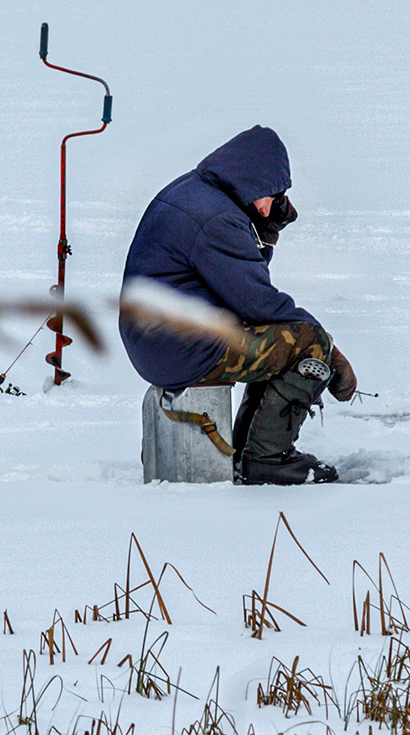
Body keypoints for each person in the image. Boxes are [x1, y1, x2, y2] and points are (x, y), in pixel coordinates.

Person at [119, 125, 357, 485]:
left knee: (283, 340)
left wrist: (265, 231)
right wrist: (328, 348)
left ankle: (247, 451)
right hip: (181, 349)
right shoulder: (219, 219)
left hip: (156, 341)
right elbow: (258, 303)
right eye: (270, 195)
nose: (268, 205)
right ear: (251, 181)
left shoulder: (194, 191)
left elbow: (243, 291)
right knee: (306, 342)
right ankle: (267, 459)